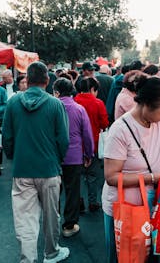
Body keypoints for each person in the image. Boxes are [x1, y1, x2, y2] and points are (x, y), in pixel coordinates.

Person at [102, 76, 160, 263]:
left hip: (154, 206)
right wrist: (152, 177)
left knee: (150, 257)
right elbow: (111, 177)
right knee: (125, 258)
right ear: (146, 104)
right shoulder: (120, 130)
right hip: (126, 209)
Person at [2, 62, 70, 263]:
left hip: (22, 169)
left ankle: (27, 258)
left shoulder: (13, 103)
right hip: (49, 169)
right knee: (51, 216)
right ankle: (51, 253)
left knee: (25, 219)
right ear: (48, 81)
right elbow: (63, 140)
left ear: (27, 80)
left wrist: (15, 156)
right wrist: (58, 159)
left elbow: (7, 137)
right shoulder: (56, 104)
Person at [53, 77, 95, 237]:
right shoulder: (79, 109)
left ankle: (53, 223)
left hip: (54, 156)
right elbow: (87, 134)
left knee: (54, 191)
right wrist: (89, 153)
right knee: (72, 191)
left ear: (56, 92)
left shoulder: (52, 108)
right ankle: (69, 225)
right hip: (74, 156)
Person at [74, 77, 109, 213]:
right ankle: (93, 202)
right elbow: (104, 123)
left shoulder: (74, 101)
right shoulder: (98, 103)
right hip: (93, 144)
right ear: (93, 89)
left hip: (76, 146)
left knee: (77, 177)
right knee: (92, 176)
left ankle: (79, 202)